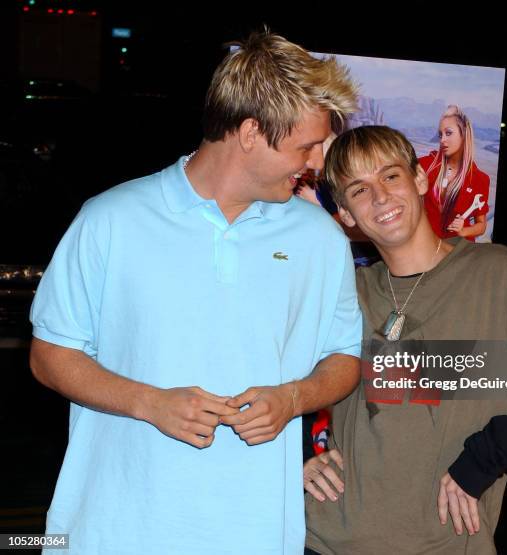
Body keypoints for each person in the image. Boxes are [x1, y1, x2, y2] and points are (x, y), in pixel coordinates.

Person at [29, 31, 363, 554]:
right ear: (251, 132)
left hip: (251, 533)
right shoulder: (111, 219)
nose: (318, 163)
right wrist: (150, 403)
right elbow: (49, 356)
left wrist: (292, 398)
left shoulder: (320, 239)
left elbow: (343, 357)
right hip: (113, 530)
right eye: (307, 145)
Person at [303, 126, 507, 554]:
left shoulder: (499, 276)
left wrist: (484, 458)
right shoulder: (346, 291)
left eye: (390, 176)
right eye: (359, 189)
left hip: (444, 545)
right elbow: (273, 381)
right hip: (328, 540)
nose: (381, 197)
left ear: (420, 178)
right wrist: (298, 457)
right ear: (347, 215)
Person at [420, 105, 490, 241]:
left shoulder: (479, 179)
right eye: (440, 135)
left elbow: (481, 225)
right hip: (427, 249)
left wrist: (463, 230)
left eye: (448, 133)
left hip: (458, 252)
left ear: (463, 134)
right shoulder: (426, 165)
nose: (442, 140)